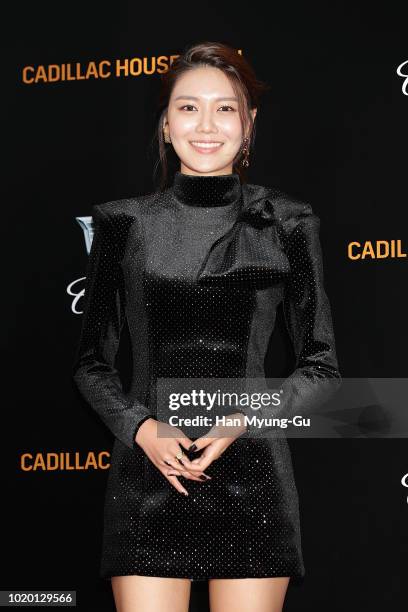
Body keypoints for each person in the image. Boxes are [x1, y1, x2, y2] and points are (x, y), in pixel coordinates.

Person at [72, 41, 341, 612]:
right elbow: (91, 363)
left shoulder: (287, 221)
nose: (206, 125)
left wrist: (246, 418)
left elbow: (321, 366)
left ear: (249, 123)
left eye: (225, 108)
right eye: (188, 107)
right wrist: (142, 429)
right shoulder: (123, 223)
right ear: (165, 124)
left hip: (253, 473)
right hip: (148, 472)